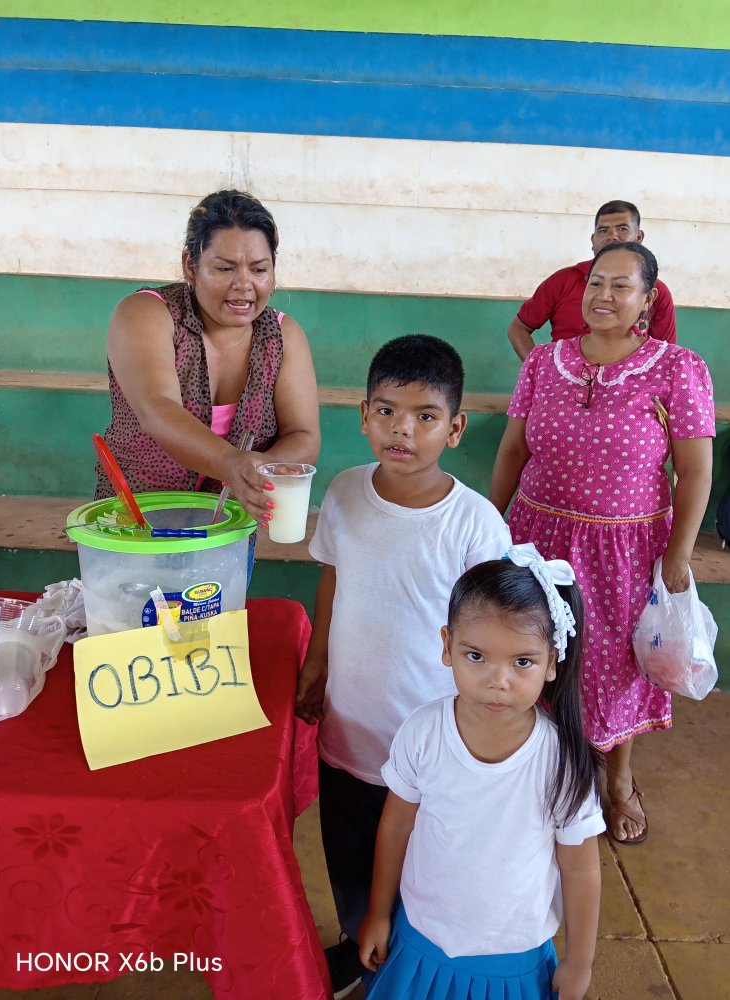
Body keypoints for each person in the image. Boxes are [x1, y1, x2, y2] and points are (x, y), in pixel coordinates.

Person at [296, 335, 511, 998]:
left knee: (423, 870)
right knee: (351, 859)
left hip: (431, 744)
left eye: (424, 416)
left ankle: (410, 967)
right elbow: (333, 580)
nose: (402, 430)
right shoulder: (344, 492)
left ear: (454, 429)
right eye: (387, 412)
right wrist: (317, 663)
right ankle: (360, 946)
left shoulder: (475, 525)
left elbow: (492, 639)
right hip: (348, 728)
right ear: (363, 416)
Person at [491, 242, 714, 845]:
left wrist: (677, 558)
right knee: (536, 654)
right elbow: (514, 451)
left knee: (615, 665)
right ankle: (533, 772)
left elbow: (695, 471)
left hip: (626, 547)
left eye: (621, 285)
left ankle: (618, 780)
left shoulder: (676, 367)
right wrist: (492, 526)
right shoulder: (543, 363)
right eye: (595, 282)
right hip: (539, 539)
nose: (604, 295)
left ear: (647, 300)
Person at [359, 549, 604, 1000]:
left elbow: (581, 867)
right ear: (447, 646)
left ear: (552, 662)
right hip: (421, 939)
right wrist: (378, 913)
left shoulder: (562, 761)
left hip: (514, 960)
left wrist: (578, 963)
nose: (498, 679)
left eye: (522, 662)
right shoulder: (423, 732)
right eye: (476, 655)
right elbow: (396, 824)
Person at [94, 189, 320, 528]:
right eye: (225, 268)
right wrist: (232, 463)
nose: (244, 285)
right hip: (136, 520)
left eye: (259, 269)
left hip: (226, 530)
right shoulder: (146, 313)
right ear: (191, 265)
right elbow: (157, 409)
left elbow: (304, 435)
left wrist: (257, 474)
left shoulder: (283, 337)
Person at [507, 200, 677, 361]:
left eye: (622, 229)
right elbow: (518, 328)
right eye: (603, 230)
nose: (612, 236)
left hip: (629, 389)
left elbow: (664, 354)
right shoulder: (562, 281)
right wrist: (540, 371)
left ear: (639, 237)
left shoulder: (656, 291)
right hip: (566, 387)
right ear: (593, 240)